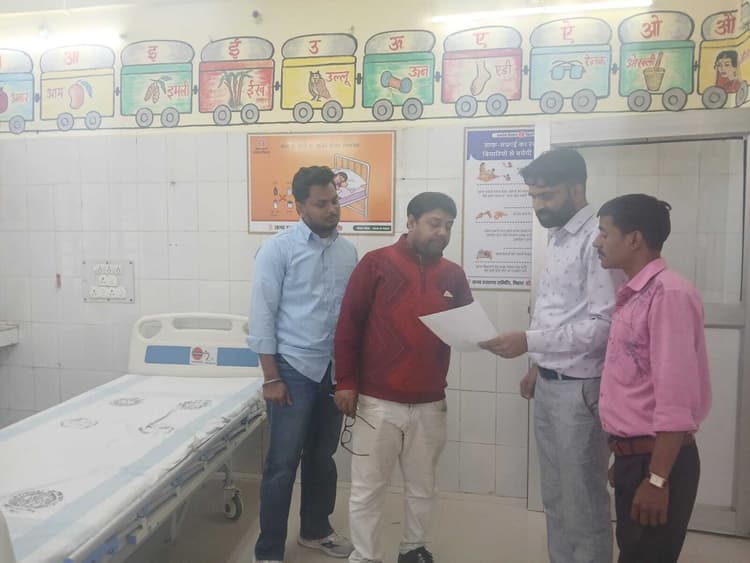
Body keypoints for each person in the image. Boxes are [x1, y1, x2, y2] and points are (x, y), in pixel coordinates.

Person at [479, 148, 624, 563]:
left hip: (581, 390)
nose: (538, 206)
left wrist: (529, 342)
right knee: (556, 496)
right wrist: (536, 364)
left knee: (583, 500)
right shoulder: (559, 235)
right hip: (549, 382)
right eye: (533, 196)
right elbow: (557, 310)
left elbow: (603, 326)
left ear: (576, 189)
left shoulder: (597, 240)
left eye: (547, 196)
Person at [334, 192, 473, 563]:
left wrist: (484, 338)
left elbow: (467, 326)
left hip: (430, 401)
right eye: (434, 223)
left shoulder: (454, 275)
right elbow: (348, 325)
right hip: (377, 400)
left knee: (423, 486)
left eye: (448, 226)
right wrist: (345, 381)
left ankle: (413, 549)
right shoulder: (376, 264)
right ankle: (366, 556)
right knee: (368, 487)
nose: (442, 232)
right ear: (410, 222)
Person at [248, 165, 357, 563]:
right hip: (292, 368)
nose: (332, 209)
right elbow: (262, 314)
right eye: (321, 203)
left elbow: (350, 317)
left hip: (332, 370)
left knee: (322, 458)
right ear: (300, 207)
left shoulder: (348, 252)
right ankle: (269, 551)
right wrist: (271, 377)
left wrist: (350, 373)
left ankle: (315, 530)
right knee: (282, 464)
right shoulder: (278, 250)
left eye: (335, 201)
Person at [594, 194, 711, 563]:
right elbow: (637, 386)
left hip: (660, 463)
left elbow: (676, 399)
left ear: (634, 239)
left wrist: (657, 478)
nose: (597, 242)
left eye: (604, 232)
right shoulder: (633, 294)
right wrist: (625, 455)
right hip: (638, 457)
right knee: (634, 552)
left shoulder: (668, 294)